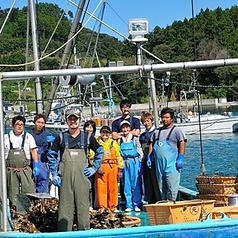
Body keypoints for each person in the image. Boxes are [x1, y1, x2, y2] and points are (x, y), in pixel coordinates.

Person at [47, 108, 104, 231]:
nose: (73, 121)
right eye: (70, 119)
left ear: (80, 120)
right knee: (64, 209)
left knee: (83, 208)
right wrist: (54, 174)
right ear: (66, 120)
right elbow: (52, 155)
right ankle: (64, 233)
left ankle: (84, 233)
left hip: (82, 178)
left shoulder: (88, 138)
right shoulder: (60, 138)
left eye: (75, 118)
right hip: (65, 179)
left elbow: (100, 151)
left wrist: (94, 168)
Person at [148, 107, 187, 201]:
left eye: (167, 117)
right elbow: (151, 143)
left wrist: (181, 157)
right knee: (161, 187)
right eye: (163, 117)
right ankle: (164, 204)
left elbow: (182, 142)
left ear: (171, 118)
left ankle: (172, 204)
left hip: (172, 165)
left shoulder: (177, 131)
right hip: (159, 165)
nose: (164, 119)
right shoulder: (157, 132)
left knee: (172, 187)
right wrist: (149, 156)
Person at [4, 115, 39, 209]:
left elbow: (34, 151)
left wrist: (36, 165)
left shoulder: (28, 137)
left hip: (25, 169)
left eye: (22, 124)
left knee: (29, 191)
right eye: (17, 124)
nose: (19, 126)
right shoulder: (5, 138)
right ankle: (13, 211)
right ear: (12, 125)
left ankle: (27, 212)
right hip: (11, 171)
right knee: (12, 193)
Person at [111, 99, 141, 204]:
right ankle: (126, 202)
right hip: (122, 159)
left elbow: (137, 132)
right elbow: (114, 135)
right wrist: (126, 134)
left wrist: (125, 134)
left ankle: (136, 202)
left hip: (134, 159)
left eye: (127, 106)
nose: (126, 109)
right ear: (121, 109)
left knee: (136, 181)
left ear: (130, 108)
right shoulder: (115, 122)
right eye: (124, 107)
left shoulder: (136, 121)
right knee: (125, 181)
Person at [95, 125, 123, 212]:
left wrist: (120, 169)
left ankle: (113, 207)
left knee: (113, 188)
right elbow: (92, 156)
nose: (105, 134)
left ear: (110, 134)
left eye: (107, 132)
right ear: (100, 133)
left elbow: (119, 156)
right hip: (101, 168)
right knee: (101, 188)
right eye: (103, 132)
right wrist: (97, 167)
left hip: (113, 168)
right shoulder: (96, 143)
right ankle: (102, 207)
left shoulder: (113, 143)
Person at [119, 120, 143, 212]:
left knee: (136, 182)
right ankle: (128, 204)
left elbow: (139, 149)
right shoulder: (119, 140)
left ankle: (136, 204)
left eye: (127, 127)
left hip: (134, 161)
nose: (125, 129)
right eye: (123, 127)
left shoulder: (135, 138)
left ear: (130, 128)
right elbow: (118, 152)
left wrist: (140, 162)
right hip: (125, 162)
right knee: (126, 183)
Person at [29, 113, 55, 193]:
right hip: (30, 160)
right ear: (34, 122)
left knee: (43, 183)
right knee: (30, 183)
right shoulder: (29, 134)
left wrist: (52, 143)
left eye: (42, 123)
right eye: (38, 122)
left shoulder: (47, 134)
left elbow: (51, 150)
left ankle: (42, 201)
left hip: (43, 161)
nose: (40, 124)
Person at [139, 112, 161, 204]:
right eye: (144, 122)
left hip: (155, 161)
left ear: (152, 121)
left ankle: (159, 201)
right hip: (145, 161)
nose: (146, 123)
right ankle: (150, 202)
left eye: (148, 121)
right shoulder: (142, 136)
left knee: (156, 182)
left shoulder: (157, 133)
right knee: (147, 183)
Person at [83, 120, 97, 210]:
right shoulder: (82, 138)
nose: (89, 129)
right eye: (87, 127)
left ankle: (92, 204)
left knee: (92, 186)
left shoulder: (95, 139)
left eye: (91, 127)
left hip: (93, 166)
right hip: (84, 165)